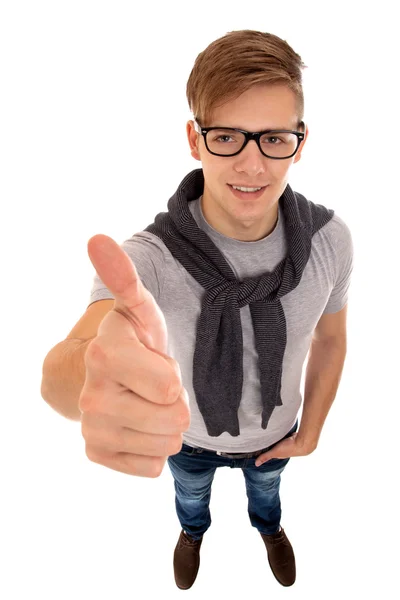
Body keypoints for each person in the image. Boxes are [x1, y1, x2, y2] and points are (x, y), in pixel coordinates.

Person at [41, 29, 353, 591]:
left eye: (273, 138)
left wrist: (312, 432)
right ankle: (193, 535)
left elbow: (331, 340)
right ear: (195, 138)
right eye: (228, 136)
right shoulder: (148, 259)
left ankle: (269, 528)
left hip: (275, 436)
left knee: (268, 497)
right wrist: (88, 372)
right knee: (190, 498)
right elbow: (66, 369)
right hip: (188, 440)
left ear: (300, 141)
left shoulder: (331, 241)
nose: (252, 165)